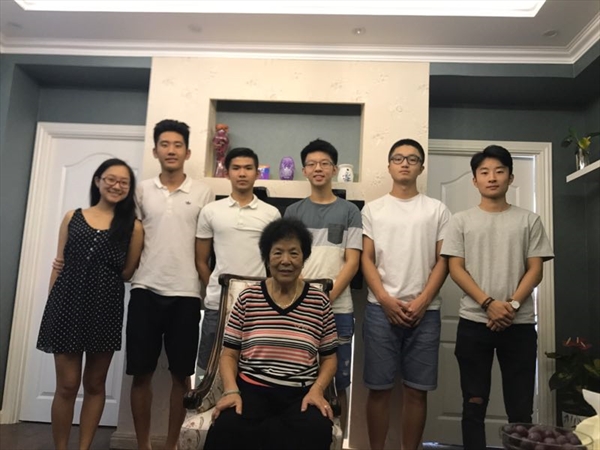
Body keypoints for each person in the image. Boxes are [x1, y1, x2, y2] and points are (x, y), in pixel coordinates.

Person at [440, 145, 554, 450]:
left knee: (520, 408)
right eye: (484, 172)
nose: (492, 177)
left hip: (519, 325)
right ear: (475, 180)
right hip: (473, 324)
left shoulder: (529, 220)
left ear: (510, 178)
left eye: (499, 171)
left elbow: (535, 270)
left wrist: (511, 306)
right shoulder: (460, 221)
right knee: (473, 403)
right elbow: (456, 268)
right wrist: (489, 304)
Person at [37, 158, 143, 450]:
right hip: (65, 306)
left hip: (104, 309)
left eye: (124, 182)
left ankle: (84, 447)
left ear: (129, 188)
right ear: (98, 181)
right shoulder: (72, 217)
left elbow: (127, 272)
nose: (116, 185)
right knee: (67, 384)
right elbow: (59, 263)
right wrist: (52, 306)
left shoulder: (133, 227)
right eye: (111, 179)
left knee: (95, 384)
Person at [204, 218, 338, 450]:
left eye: (294, 253)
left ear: (304, 258)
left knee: (316, 429)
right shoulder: (248, 298)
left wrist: (317, 390)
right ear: (267, 258)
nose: (286, 261)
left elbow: (329, 358)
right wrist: (231, 391)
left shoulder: (319, 302)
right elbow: (229, 355)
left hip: (300, 395)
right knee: (227, 426)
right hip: (251, 391)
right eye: (277, 253)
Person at [126, 119, 214, 450]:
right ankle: (143, 445)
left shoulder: (204, 192)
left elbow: (207, 246)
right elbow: (133, 238)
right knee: (141, 374)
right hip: (144, 289)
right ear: (155, 151)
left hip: (187, 294)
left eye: (178, 145)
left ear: (187, 152)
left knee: (181, 375)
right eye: (165, 144)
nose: (171, 150)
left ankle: (172, 444)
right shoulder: (141, 190)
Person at [361, 138, 451, 450]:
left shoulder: (437, 210)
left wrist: (423, 301)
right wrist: (385, 300)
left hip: (426, 312)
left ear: (421, 168)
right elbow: (366, 259)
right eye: (398, 158)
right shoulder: (373, 209)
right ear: (389, 166)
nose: (404, 164)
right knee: (378, 389)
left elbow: (444, 260)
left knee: (416, 391)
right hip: (379, 310)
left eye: (412, 159)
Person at [284, 138, 362, 433]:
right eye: (312, 164)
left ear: (334, 169)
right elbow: (286, 261)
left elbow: (352, 262)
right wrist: (304, 298)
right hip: (296, 307)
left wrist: (326, 297)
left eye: (324, 163)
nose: (318, 168)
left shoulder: (350, 211)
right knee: (296, 376)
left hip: (338, 309)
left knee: (339, 381)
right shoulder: (292, 212)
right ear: (304, 170)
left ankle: (338, 438)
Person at [195, 147, 280, 374]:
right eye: (236, 168)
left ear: (257, 173)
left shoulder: (271, 213)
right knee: (209, 370)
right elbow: (201, 260)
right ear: (227, 173)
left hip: (258, 307)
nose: (242, 173)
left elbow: (275, 264)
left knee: (254, 371)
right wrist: (215, 287)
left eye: (248, 168)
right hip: (217, 305)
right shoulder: (211, 211)